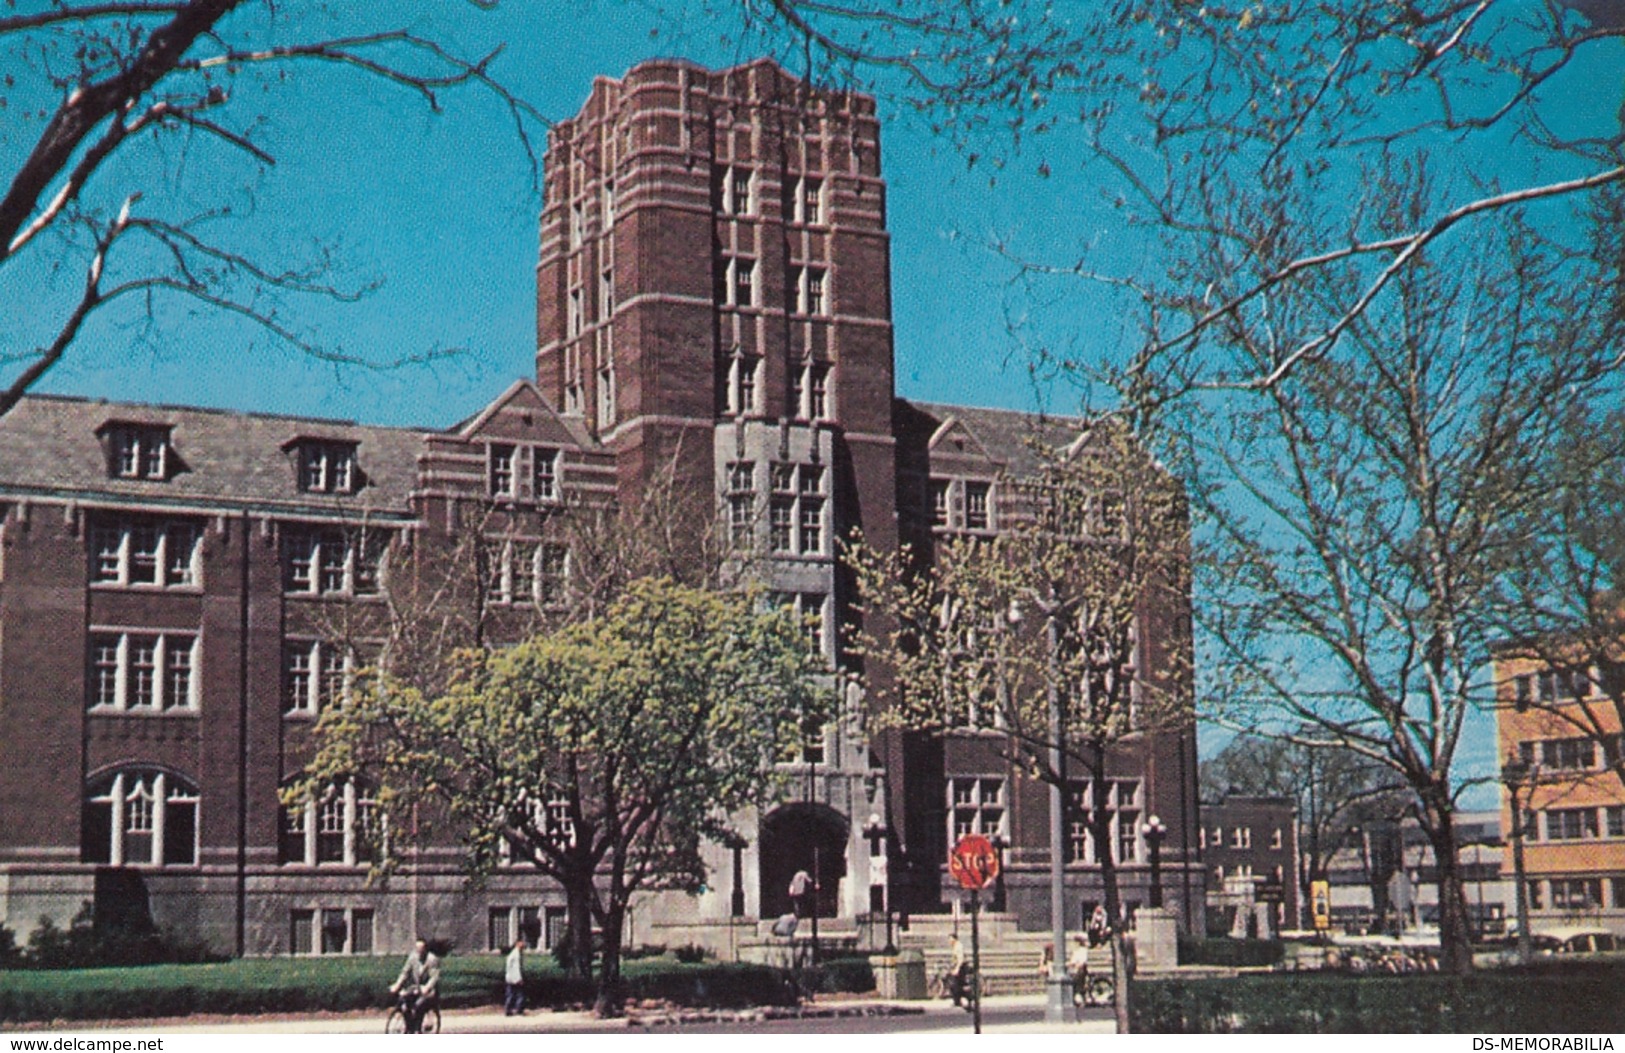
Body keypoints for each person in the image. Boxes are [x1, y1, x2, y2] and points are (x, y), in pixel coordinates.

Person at [391, 938, 442, 1034]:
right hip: (416, 988)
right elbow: (405, 973)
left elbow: (434, 977)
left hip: (429, 991)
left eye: (421, 949)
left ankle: (418, 1028)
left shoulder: (432, 959)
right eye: (417, 948)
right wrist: (397, 985)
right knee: (404, 1002)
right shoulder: (412, 957)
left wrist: (427, 987)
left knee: (419, 1005)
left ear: (425, 949)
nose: (419, 951)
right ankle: (409, 1027)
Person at [503, 936, 526, 1016]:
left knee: (511, 994)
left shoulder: (514, 953)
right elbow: (516, 968)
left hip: (510, 977)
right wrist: (519, 978)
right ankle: (518, 1009)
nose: (523, 944)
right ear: (517, 943)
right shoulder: (516, 954)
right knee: (520, 994)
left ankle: (508, 1009)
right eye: (521, 942)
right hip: (514, 977)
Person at [947, 932, 971, 1008]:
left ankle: (965, 998)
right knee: (956, 985)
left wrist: (957, 969)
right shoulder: (955, 946)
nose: (949, 941)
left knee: (955, 985)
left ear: (954, 939)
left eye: (950, 939)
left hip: (961, 968)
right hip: (958, 967)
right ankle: (958, 1000)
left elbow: (960, 959)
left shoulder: (958, 946)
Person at [1068, 934, 1090, 1009]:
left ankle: (1081, 1000)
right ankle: (1076, 999)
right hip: (1075, 970)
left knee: (1077, 984)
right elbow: (1072, 962)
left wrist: (1076, 965)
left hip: (1080, 971)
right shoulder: (1076, 951)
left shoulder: (1083, 950)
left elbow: (1082, 962)